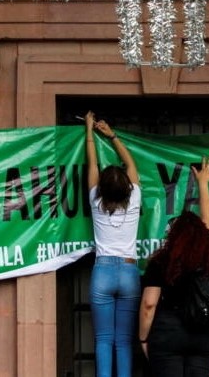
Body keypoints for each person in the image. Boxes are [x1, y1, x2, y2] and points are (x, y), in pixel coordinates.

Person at [138, 156, 209, 377]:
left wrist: (144, 338)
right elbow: (207, 218)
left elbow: (148, 304)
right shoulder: (207, 253)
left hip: (168, 333)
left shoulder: (161, 261)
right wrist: (203, 184)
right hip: (203, 332)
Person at [85, 111, 142, 377]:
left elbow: (92, 164)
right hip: (129, 271)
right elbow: (131, 164)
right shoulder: (135, 199)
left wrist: (89, 131)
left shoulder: (96, 200)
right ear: (128, 189)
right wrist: (113, 136)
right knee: (124, 341)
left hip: (103, 272)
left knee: (104, 339)